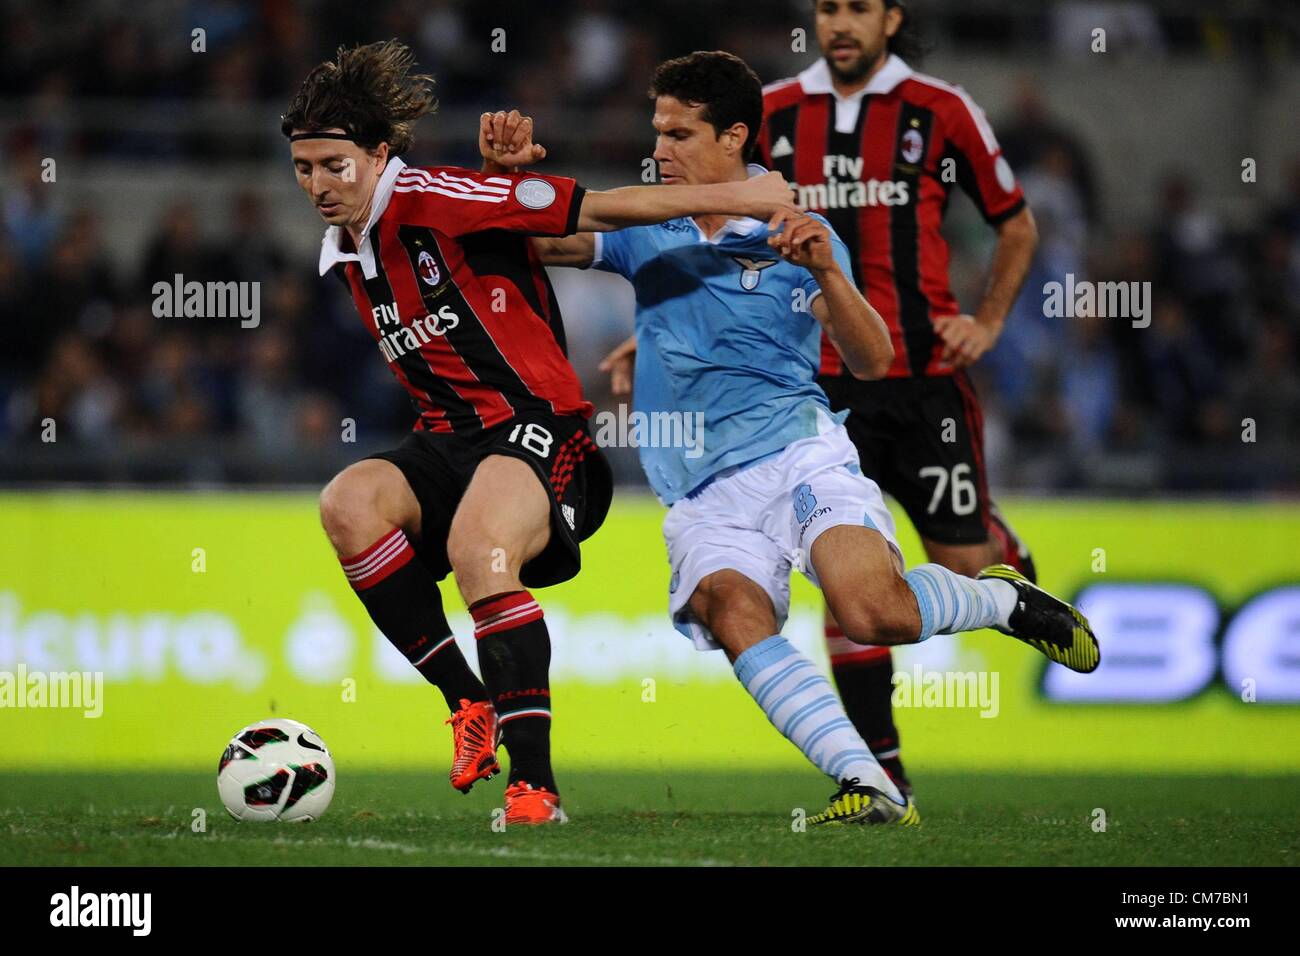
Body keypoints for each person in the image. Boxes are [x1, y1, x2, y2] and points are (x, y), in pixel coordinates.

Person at [513, 51, 1098, 825]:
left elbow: (872, 357)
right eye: (657, 130)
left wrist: (829, 275)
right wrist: (506, 177)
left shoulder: (800, 233)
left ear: (734, 138)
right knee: (732, 610)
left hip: (799, 454)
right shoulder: (643, 229)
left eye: (679, 132)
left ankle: (999, 603)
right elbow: (535, 244)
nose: (660, 148)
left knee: (871, 613)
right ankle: (870, 783)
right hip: (697, 491)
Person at [284, 40, 797, 825]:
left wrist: (746, 196)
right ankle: (468, 703)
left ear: (379, 155)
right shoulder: (349, 248)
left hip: (539, 430)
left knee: (479, 550)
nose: (319, 184)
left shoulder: (432, 195)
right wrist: (508, 182)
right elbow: (507, 256)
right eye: (305, 168)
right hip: (448, 441)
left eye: (334, 165)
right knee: (347, 502)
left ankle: (535, 789)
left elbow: (595, 210)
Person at [757, 0, 1042, 798]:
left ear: (891, 17)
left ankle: (998, 547)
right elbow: (713, 228)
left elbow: (1015, 225)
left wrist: (986, 321)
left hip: (923, 385)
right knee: (846, 580)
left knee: (966, 565)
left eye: (857, 9)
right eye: (827, 8)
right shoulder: (773, 111)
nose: (839, 23)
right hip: (819, 388)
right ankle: (881, 768)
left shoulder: (943, 111)